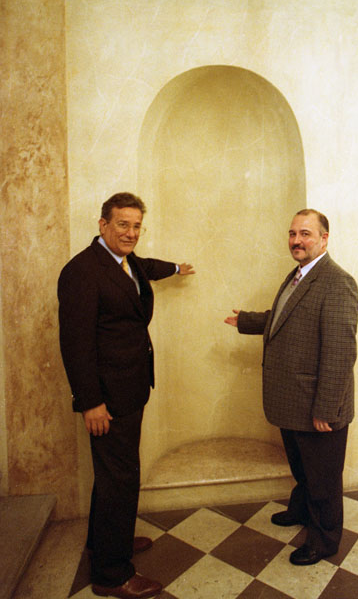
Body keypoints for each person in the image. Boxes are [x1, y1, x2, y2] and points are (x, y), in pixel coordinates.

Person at [58, 192, 194, 598]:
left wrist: (176, 268)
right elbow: (76, 345)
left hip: (130, 389)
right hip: (107, 399)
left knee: (113, 477)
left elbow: (147, 267)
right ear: (103, 225)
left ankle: (105, 542)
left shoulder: (127, 261)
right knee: (120, 479)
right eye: (123, 224)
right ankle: (112, 574)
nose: (131, 233)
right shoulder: (82, 272)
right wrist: (90, 402)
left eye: (136, 226)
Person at [225, 209, 358, 566]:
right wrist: (248, 321)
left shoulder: (337, 283)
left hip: (317, 406)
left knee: (323, 480)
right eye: (292, 233)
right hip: (292, 402)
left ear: (324, 239)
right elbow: (285, 316)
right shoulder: (299, 274)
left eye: (305, 234)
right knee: (303, 470)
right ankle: (300, 510)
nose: (296, 241)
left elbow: (340, 353)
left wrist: (326, 409)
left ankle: (324, 541)